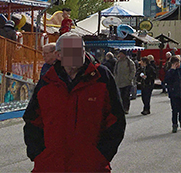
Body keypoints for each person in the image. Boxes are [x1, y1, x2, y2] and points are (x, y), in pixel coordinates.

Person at [23, 32, 126, 172]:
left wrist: (101, 155)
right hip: (50, 165)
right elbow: (33, 120)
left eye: (80, 50)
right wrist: (38, 154)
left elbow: (116, 120)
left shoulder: (101, 77)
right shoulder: (48, 80)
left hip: (90, 165)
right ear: (59, 55)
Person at [113, 50, 136, 115]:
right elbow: (115, 70)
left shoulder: (129, 62)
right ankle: (121, 108)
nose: (119, 55)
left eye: (121, 54)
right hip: (119, 82)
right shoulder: (118, 62)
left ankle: (126, 108)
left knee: (126, 96)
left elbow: (133, 71)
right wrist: (116, 78)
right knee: (120, 97)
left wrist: (129, 78)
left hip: (127, 83)